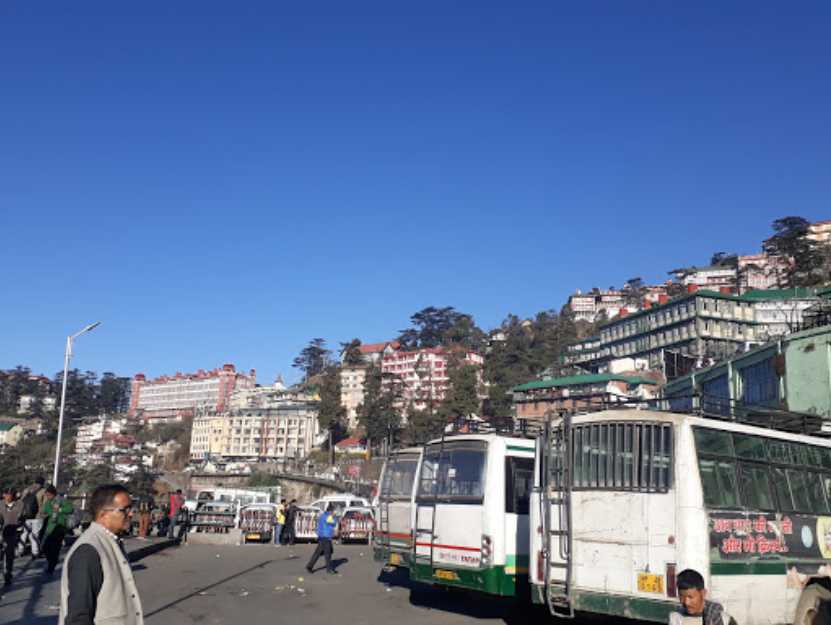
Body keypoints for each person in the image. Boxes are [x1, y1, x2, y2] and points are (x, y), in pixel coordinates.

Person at [60, 484, 143, 625]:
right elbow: (79, 616)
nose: (131, 514)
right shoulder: (89, 550)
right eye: (125, 509)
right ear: (103, 514)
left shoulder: (111, 541)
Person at [670, 569, 736, 625]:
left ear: (703, 593)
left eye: (691, 597)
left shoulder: (722, 618)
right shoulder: (676, 618)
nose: (686, 602)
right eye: (681, 596)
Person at [41, 486, 75, 576]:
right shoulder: (48, 502)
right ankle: (51, 561)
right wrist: (52, 511)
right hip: (50, 527)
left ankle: (51, 566)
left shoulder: (62, 500)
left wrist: (60, 510)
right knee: (45, 546)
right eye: (46, 495)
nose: (47, 497)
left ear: (53, 494)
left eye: (48, 495)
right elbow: (45, 510)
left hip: (60, 526)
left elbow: (70, 509)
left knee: (55, 547)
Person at [0, 486, 25, 586]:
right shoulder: (0, 504)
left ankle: (8, 574)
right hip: (2, 531)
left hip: (13, 532)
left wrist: (20, 520)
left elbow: (21, 515)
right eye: (6, 495)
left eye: (10, 495)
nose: (7, 497)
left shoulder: (19, 504)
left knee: (9, 555)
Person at [305, 503, 338, 574]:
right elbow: (334, 523)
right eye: (334, 511)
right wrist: (334, 516)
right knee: (328, 554)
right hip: (326, 537)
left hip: (322, 536)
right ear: (331, 511)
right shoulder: (329, 517)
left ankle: (309, 566)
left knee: (318, 552)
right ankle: (329, 569)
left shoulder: (323, 515)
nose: (334, 512)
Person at [21, 476, 47, 559]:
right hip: (37, 516)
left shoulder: (27, 490)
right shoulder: (44, 491)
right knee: (34, 534)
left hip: (26, 516)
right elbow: (45, 504)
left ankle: (20, 550)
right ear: (42, 483)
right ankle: (35, 552)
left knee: (24, 533)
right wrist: (44, 515)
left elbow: (21, 501)